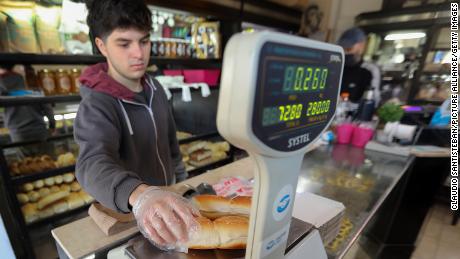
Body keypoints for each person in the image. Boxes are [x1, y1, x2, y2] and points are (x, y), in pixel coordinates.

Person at [74, 0, 198, 250]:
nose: (138, 53)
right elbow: (91, 163)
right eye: (124, 43)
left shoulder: (155, 88)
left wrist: (181, 182)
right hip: (130, 216)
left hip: (169, 202)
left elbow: (170, 139)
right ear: (101, 45)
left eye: (144, 41)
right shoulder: (97, 105)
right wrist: (143, 196)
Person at [0, 64, 56, 145]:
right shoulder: (34, 90)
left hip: (18, 132)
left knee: (26, 158)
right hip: (39, 130)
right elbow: (48, 108)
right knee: (47, 157)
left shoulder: (4, 92)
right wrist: (52, 126)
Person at [337, 27, 381, 110]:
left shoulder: (369, 70)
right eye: (342, 49)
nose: (345, 53)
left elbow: (374, 101)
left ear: (361, 46)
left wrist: (347, 105)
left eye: (349, 49)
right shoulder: (337, 66)